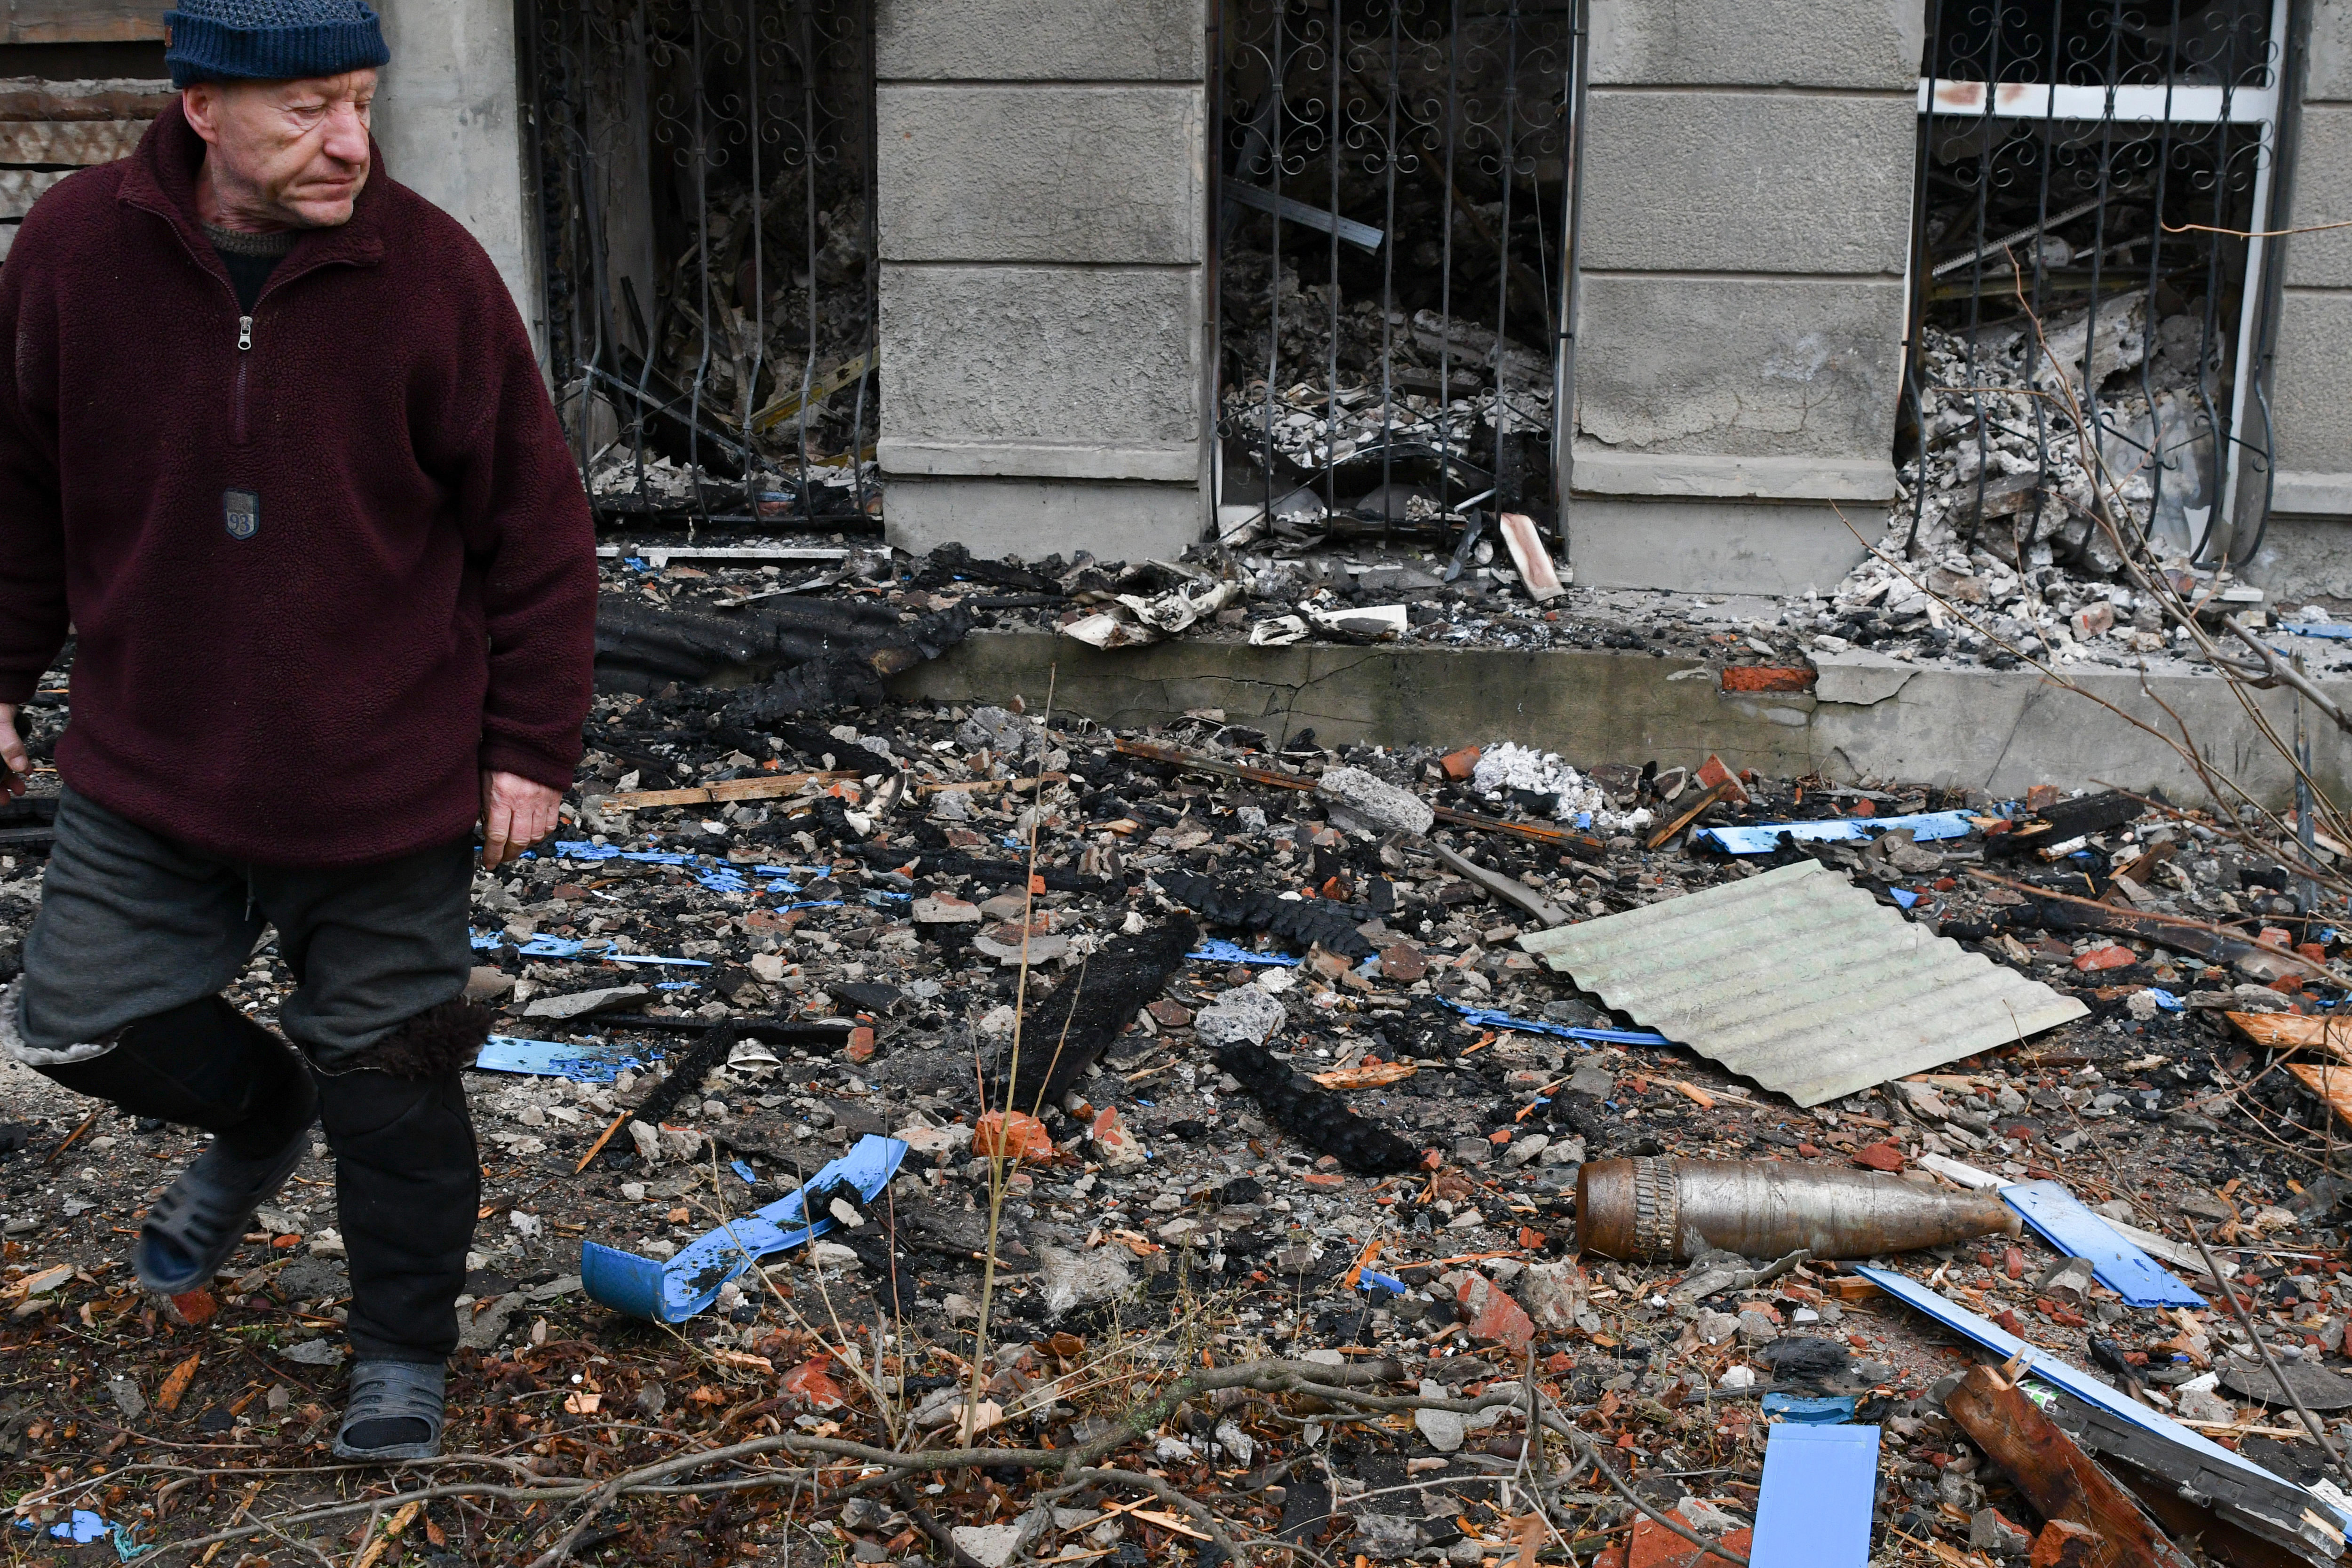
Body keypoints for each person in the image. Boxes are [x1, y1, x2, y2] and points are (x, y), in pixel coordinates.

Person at [0, 0, 596, 1462]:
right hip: (152, 764)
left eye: (361, 100)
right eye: (307, 109)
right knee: (72, 1019)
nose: (352, 142)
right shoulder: (74, 252)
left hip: (381, 780)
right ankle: (262, 1114)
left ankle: (401, 1352)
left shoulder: (431, 277)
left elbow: (537, 531)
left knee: (391, 1086)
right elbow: (16, 484)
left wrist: (530, 744)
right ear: (203, 108)